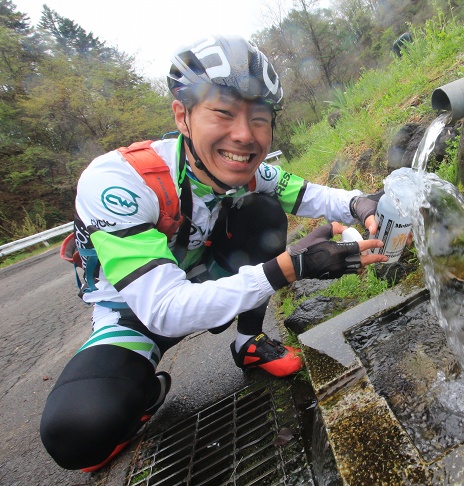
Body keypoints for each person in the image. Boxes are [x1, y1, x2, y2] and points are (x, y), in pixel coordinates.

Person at [39, 35, 388, 472]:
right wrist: (294, 267)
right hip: (136, 312)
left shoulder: (245, 167)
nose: (243, 135)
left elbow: (308, 194)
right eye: (222, 112)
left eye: (259, 118)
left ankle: (249, 342)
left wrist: (362, 204)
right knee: (75, 437)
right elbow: (164, 309)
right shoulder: (119, 181)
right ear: (182, 116)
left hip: (207, 275)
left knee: (263, 208)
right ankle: (143, 385)